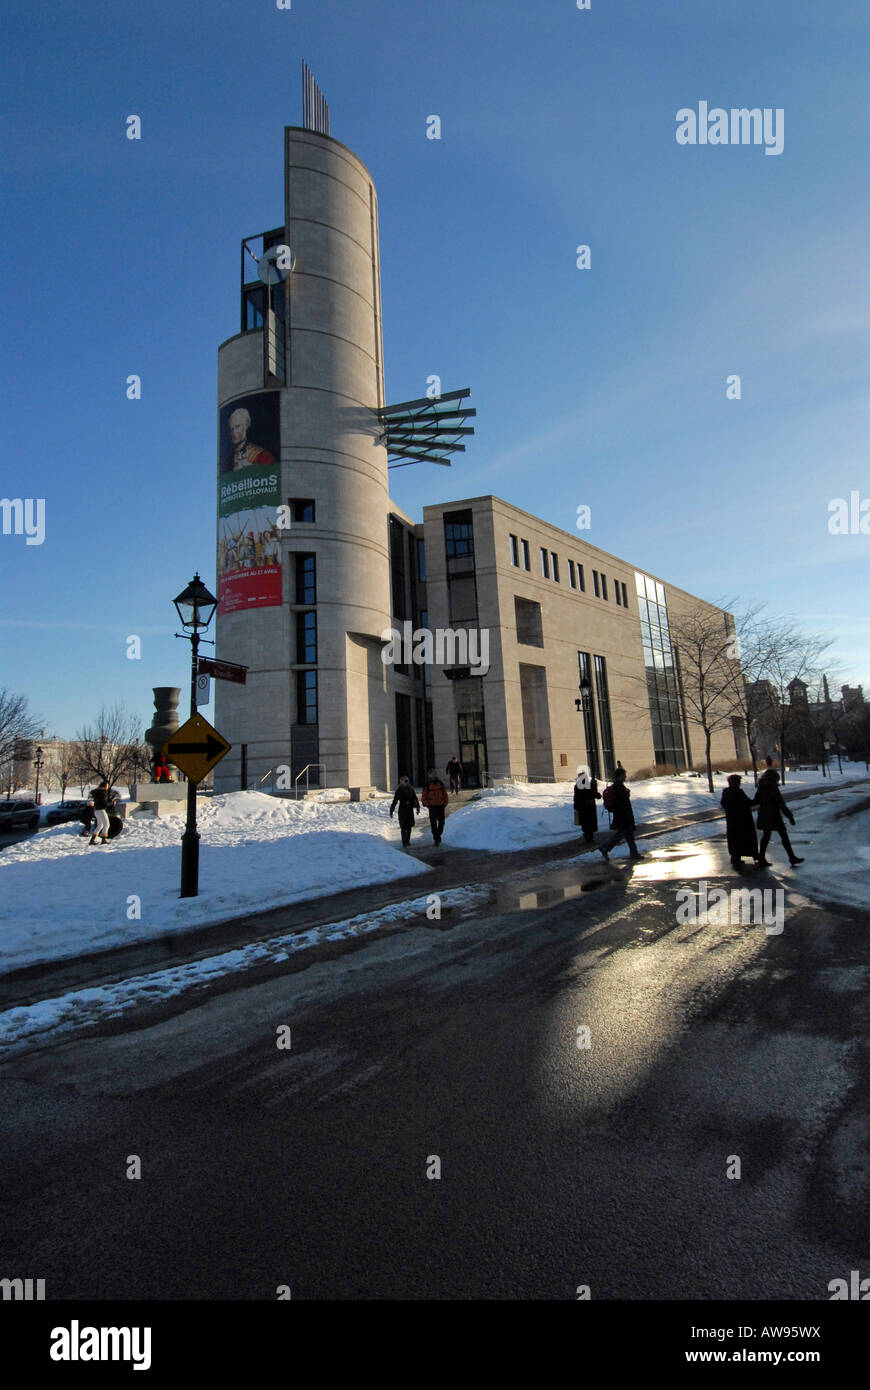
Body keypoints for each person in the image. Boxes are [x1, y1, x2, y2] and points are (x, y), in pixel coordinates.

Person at [752, 770, 804, 867]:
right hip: (774, 816)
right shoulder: (773, 787)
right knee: (784, 836)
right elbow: (781, 804)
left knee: (766, 837)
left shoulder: (761, 787)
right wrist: (790, 816)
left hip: (763, 815)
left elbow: (755, 801)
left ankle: (762, 858)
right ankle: (791, 857)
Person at [599, 767, 643, 860]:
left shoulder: (619, 786)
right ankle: (605, 847)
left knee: (627, 834)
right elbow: (620, 801)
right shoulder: (618, 787)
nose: (625, 776)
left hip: (623, 814)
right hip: (623, 815)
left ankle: (633, 853)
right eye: (623, 775)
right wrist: (626, 793)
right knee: (623, 834)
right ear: (619, 776)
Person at [720, 774, 759, 872]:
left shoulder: (726, 792)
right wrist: (758, 798)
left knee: (734, 839)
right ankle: (753, 855)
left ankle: (735, 857)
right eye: (739, 782)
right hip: (743, 820)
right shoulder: (739, 792)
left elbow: (723, 804)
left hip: (732, 820)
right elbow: (749, 802)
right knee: (746, 838)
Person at [390, 775, 420, 848]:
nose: (407, 782)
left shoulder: (411, 789)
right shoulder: (399, 791)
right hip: (402, 810)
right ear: (401, 782)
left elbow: (415, 798)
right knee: (403, 827)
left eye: (407, 781)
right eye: (405, 781)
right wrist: (391, 810)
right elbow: (395, 801)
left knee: (409, 827)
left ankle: (407, 841)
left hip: (409, 810)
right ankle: (404, 842)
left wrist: (418, 807)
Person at [573, 765, 600, 845]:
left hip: (582, 808)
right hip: (589, 807)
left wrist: (576, 806)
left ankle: (588, 836)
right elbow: (593, 793)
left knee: (585, 824)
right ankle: (589, 837)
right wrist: (597, 794)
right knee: (590, 823)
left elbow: (576, 797)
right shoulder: (587, 785)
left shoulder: (578, 786)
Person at [421, 768, 449, 845]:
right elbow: (424, 797)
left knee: (441, 823)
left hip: (440, 806)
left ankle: (438, 835)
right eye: (432, 774)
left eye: (435, 773)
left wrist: (444, 803)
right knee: (433, 824)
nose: (434, 775)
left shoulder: (440, 783)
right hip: (432, 807)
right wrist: (428, 804)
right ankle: (436, 839)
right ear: (429, 775)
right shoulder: (427, 785)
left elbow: (445, 794)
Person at [89, 780, 111, 845]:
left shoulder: (97, 792)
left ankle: (92, 840)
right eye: (107, 786)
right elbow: (104, 803)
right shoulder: (103, 792)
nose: (108, 787)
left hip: (96, 810)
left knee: (100, 825)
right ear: (105, 786)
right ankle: (103, 840)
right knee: (107, 824)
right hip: (101, 810)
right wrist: (111, 803)